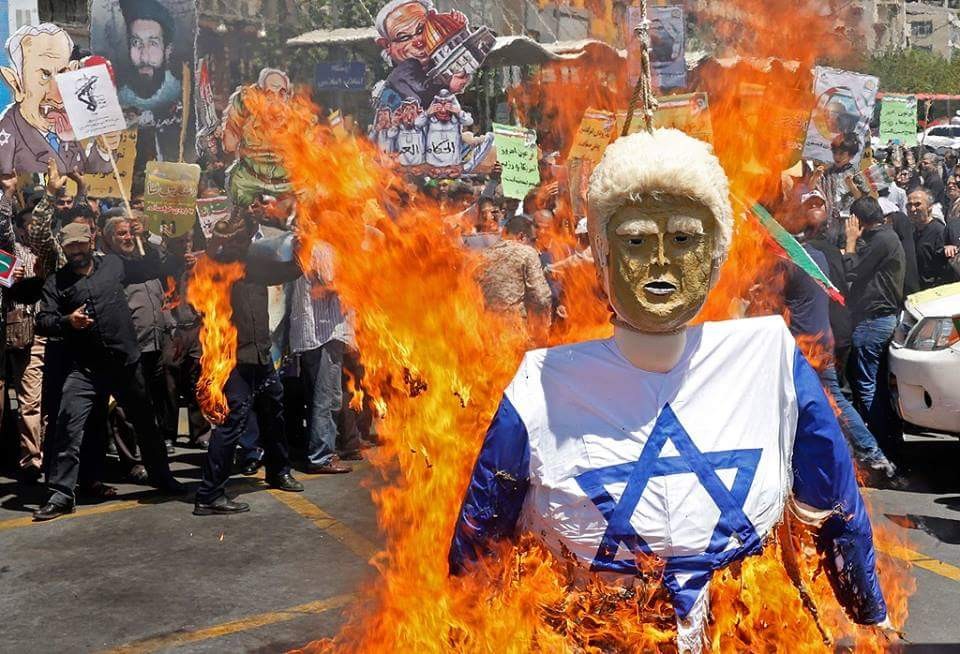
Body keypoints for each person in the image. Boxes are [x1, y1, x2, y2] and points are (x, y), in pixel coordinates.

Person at [450, 130, 889, 649]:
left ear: (714, 255)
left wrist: (866, 606)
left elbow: (835, 497)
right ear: (603, 257)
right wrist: (465, 623)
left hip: (737, 628)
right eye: (636, 241)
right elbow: (481, 532)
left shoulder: (771, 359)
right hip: (598, 632)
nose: (660, 260)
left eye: (683, 240)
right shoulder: (539, 385)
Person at [34, 222, 184, 521]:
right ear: (63, 248)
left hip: (125, 364)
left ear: (91, 241)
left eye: (80, 243)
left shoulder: (114, 264)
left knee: (146, 424)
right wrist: (67, 321)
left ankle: (162, 477)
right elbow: (43, 321)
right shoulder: (56, 282)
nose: (76, 250)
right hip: (84, 369)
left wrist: (145, 238)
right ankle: (61, 494)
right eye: (70, 246)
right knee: (68, 426)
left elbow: (151, 267)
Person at [193, 215, 304, 516]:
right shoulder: (214, 266)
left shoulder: (255, 264)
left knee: (274, 413)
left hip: (261, 357)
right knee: (231, 424)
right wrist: (212, 247)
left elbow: (292, 270)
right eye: (237, 237)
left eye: (246, 236)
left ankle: (279, 471)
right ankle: (209, 494)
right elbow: (197, 281)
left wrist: (303, 242)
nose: (242, 241)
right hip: (233, 361)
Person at [783, 241, 897, 478]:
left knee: (830, 399)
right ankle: (856, 458)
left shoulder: (787, 262)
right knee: (830, 399)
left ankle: (869, 454)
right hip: (822, 337)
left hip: (807, 344)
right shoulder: (815, 257)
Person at [101, 216, 179, 453]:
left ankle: (156, 444)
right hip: (130, 347)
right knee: (128, 403)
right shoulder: (111, 265)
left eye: (130, 233)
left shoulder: (142, 260)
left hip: (155, 344)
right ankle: (131, 455)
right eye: (121, 234)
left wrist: (144, 237)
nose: (127, 238)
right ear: (109, 239)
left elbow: (160, 268)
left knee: (156, 397)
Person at [0, 24, 115, 174]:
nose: (58, 97)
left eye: (62, 74)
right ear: (17, 85)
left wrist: (103, 149)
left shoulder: (64, 127)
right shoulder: (7, 136)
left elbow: (88, 173)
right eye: (45, 75)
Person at [289, 242, 361, 474]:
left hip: (319, 334)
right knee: (326, 399)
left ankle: (322, 450)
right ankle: (321, 456)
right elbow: (326, 287)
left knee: (324, 397)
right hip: (324, 334)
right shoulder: (322, 248)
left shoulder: (311, 245)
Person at [845, 197, 905, 435]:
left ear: (858, 220)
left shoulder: (882, 240)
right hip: (880, 320)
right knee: (876, 383)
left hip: (873, 321)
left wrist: (851, 242)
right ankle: (888, 438)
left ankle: (879, 441)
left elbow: (853, 271)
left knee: (867, 384)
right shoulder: (884, 237)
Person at [3, 202, 46, 483]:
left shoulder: (49, 252)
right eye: (30, 225)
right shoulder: (10, 253)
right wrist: (10, 280)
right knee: (30, 400)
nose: (35, 230)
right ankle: (31, 459)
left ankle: (47, 452)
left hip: (52, 331)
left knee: (48, 398)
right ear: (19, 229)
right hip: (24, 333)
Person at [118, 0, 190, 162]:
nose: (144, 56)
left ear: (167, 50)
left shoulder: (183, 94)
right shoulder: (116, 97)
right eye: (136, 43)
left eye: (153, 43)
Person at [476, 216, 552, 327]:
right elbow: (542, 297)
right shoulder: (527, 253)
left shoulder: (481, 256)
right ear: (521, 236)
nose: (534, 244)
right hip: (515, 328)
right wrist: (543, 323)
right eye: (533, 240)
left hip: (485, 329)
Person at [906, 188, 950, 290]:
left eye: (917, 204)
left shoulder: (940, 232)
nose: (912, 209)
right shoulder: (911, 232)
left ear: (929, 207)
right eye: (909, 205)